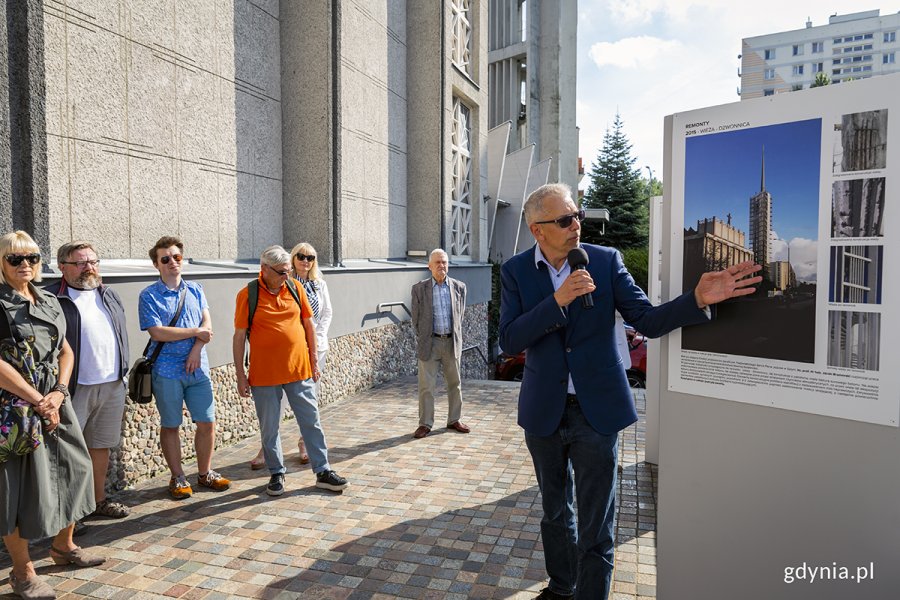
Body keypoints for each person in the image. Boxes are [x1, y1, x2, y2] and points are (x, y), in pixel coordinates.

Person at [498, 183, 761, 600]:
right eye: (565, 220)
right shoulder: (515, 271)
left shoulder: (604, 262)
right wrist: (558, 301)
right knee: (554, 512)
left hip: (596, 413)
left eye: (577, 215)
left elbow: (647, 319)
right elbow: (509, 340)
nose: (576, 225)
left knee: (597, 522)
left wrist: (696, 298)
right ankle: (562, 587)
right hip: (544, 412)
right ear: (538, 230)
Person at [0, 231, 104, 600]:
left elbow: (66, 350)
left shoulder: (49, 300)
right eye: (15, 259)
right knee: (17, 488)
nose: (25, 264)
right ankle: (22, 571)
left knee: (76, 470)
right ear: (2, 263)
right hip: (15, 408)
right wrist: (37, 399)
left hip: (56, 402)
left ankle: (63, 546)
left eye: (31, 257)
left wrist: (58, 393)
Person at [233, 245, 347, 496]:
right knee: (270, 427)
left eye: (288, 271)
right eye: (282, 272)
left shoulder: (295, 288)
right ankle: (276, 473)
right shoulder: (248, 294)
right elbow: (239, 336)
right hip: (264, 375)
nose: (287, 275)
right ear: (264, 269)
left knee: (311, 421)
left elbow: (308, 324)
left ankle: (323, 471)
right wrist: (241, 375)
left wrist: (314, 360)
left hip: (299, 369)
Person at [138, 236, 230, 500]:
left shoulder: (196, 289)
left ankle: (205, 473)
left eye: (176, 257)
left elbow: (207, 327)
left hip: (197, 368)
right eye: (165, 259)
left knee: (207, 422)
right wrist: (194, 332)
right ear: (157, 264)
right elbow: (157, 332)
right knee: (171, 425)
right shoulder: (149, 296)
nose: (172, 263)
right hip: (166, 371)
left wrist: (196, 349)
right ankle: (178, 476)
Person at [46, 241, 130, 519]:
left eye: (93, 261)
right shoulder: (52, 299)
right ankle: (71, 513)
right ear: (62, 267)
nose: (89, 268)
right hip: (73, 388)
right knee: (67, 452)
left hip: (112, 385)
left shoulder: (109, 294)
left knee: (100, 445)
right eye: (80, 263)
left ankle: (97, 501)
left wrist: (123, 373)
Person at [249, 242, 332, 468]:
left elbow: (325, 314)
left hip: (314, 349)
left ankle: (306, 445)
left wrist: (316, 338)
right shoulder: (287, 284)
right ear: (293, 259)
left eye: (311, 257)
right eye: (301, 256)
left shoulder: (318, 285)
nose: (306, 261)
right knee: (278, 404)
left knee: (309, 403)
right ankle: (267, 450)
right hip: (288, 353)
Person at [410, 248, 469, 439]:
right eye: (437, 262)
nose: (441, 266)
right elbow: (416, 319)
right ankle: (425, 423)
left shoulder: (460, 287)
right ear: (429, 266)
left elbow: (461, 315)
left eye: (444, 262)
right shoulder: (419, 289)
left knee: (455, 383)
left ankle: (454, 419)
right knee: (426, 386)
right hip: (431, 342)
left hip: (451, 342)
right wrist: (426, 337)